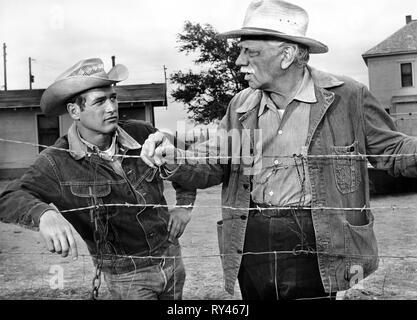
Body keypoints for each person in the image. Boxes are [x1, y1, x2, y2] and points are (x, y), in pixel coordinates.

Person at [140, 0, 417, 300]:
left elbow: (395, 150)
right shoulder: (241, 106)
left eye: (251, 52)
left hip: (318, 242)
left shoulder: (347, 98)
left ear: (286, 55)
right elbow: (212, 161)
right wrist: (173, 155)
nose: (238, 61)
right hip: (251, 239)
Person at [0, 58, 194, 300]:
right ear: (74, 111)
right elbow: (9, 197)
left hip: (172, 260)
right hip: (124, 278)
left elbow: (183, 162)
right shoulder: (56, 161)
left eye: (113, 97)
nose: (112, 107)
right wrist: (44, 214)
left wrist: (185, 206)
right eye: (100, 101)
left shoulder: (142, 133)